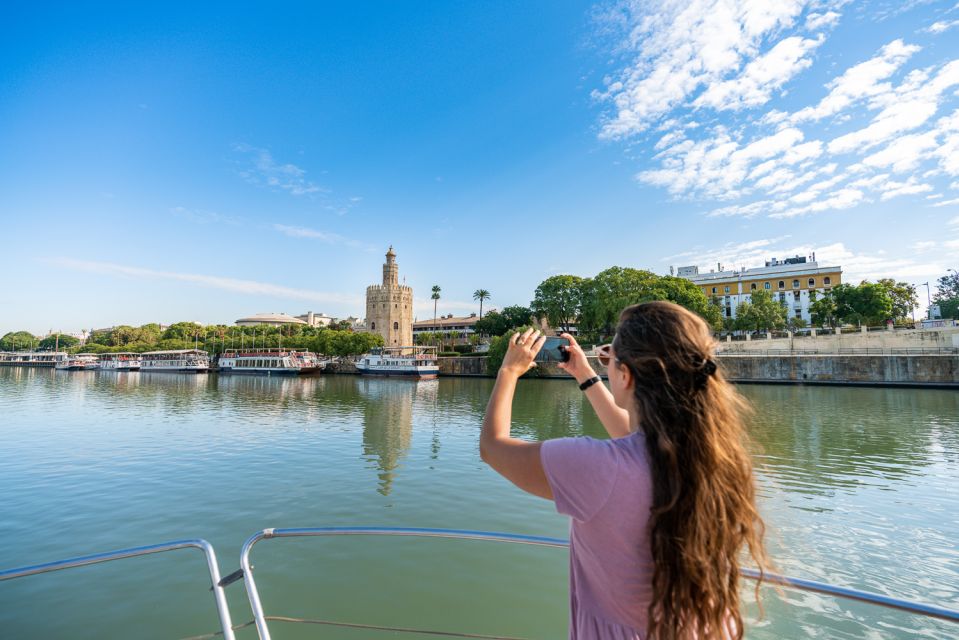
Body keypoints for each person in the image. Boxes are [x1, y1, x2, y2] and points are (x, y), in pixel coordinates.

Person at [480, 301, 768, 640]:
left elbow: (493, 448)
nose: (605, 363)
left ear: (626, 375)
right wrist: (586, 374)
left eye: (609, 357)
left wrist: (508, 372)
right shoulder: (720, 460)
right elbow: (634, 440)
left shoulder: (594, 467)